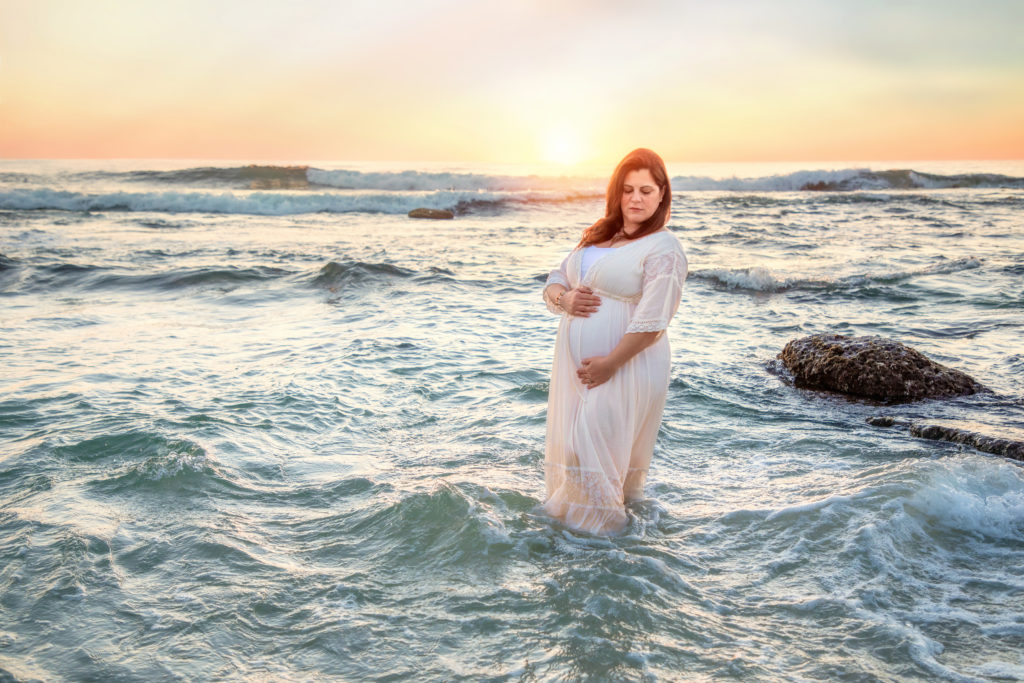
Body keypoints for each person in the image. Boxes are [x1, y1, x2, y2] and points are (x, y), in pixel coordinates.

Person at [541, 148, 688, 534]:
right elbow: (555, 279)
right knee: (578, 449)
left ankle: (603, 544)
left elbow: (654, 321)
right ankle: (588, 545)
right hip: (585, 370)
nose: (635, 199)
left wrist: (610, 363)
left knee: (591, 448)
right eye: (627, 190)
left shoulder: (663, 247)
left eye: (645, 190)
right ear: (616, 193)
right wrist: (565, 299)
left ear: (661, 195)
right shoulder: (598, 234)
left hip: (628, 364)